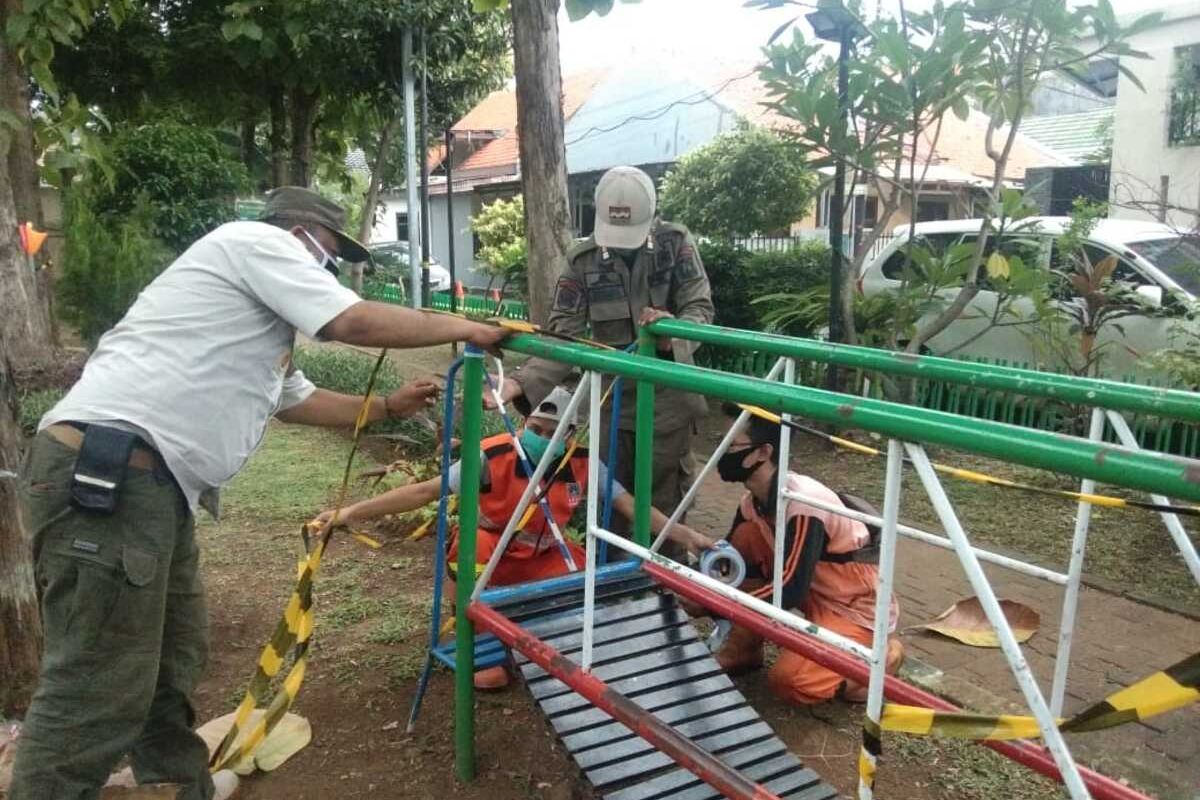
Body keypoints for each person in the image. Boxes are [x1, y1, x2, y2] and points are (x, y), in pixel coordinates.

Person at [12, 186, 509, 800]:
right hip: (109, 479)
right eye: (328, 254)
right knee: (96, 680)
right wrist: (467, 327)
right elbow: (350, 319)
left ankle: (173, 784)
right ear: (299, 235)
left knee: (172, 656)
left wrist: (384, 405)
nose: (328, 270)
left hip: (148, 488)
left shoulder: (254, 317)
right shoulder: (254, 242)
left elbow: (295, 399)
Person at [315, 386, 715, 689]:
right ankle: (477, 631)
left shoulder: (581, 463)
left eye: (550, 431)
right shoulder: (492, 457)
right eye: (533, 427)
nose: (538, 436)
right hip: (489, 552)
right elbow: (423, 491)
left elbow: (631, 506)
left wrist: (686, 534)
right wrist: (348, 512)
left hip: (542, 556)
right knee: (490, 674)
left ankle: (543, 635)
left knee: (578, 577)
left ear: (570, 435)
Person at [486, 166, 714, 557]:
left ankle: (661, 597)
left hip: (668, 403)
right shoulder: (583, 260)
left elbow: (700, 307)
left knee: (664, 510)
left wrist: (673, 328)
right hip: (613, 401)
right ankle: (607, 597)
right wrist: (518, 383)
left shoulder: (675, 244)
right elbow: (564, 334)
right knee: (611, 506)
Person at [710, 404, 904, 705]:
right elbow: (726, 560)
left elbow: (788, 588)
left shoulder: (804, 503)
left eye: (730, 444)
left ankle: (881, 660)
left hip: (850, 604)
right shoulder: (752, 502)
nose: (721, 450)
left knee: (791, 682)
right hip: (813, 589)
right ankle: (743, 649)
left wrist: (719, 603)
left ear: (763, 452)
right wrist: (701, 583)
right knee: (744, 539)